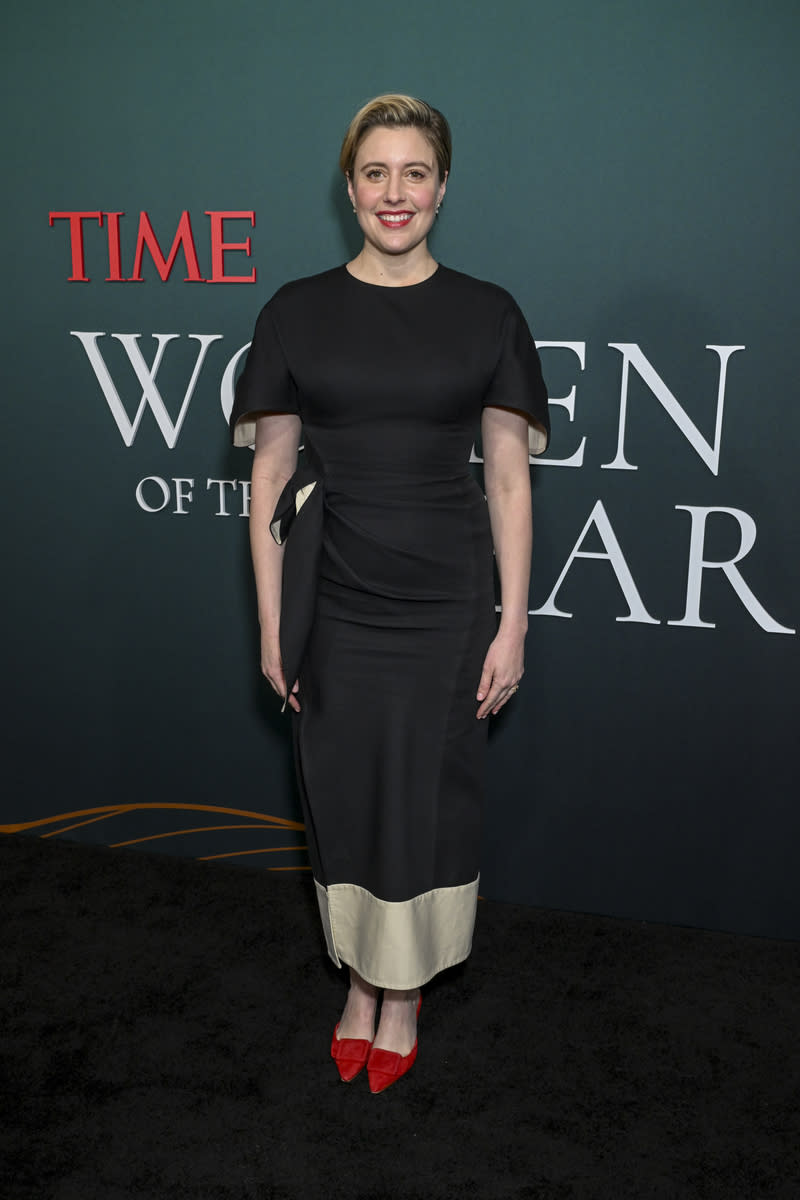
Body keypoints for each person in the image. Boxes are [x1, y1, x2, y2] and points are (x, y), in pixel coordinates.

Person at [230, 94, 549, 1093]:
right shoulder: (292, 310)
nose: (394, 192)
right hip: (332, 589)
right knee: (343, 789)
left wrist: (515, 620)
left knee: (424, 793)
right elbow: (268, 484)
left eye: (414, 172)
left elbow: (505, 478)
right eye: (375, 172)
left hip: (446, 597)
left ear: (442, 186)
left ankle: (400, 993)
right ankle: (361, 980)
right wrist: (272, 623)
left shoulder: (488, 311)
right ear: (349, 186)